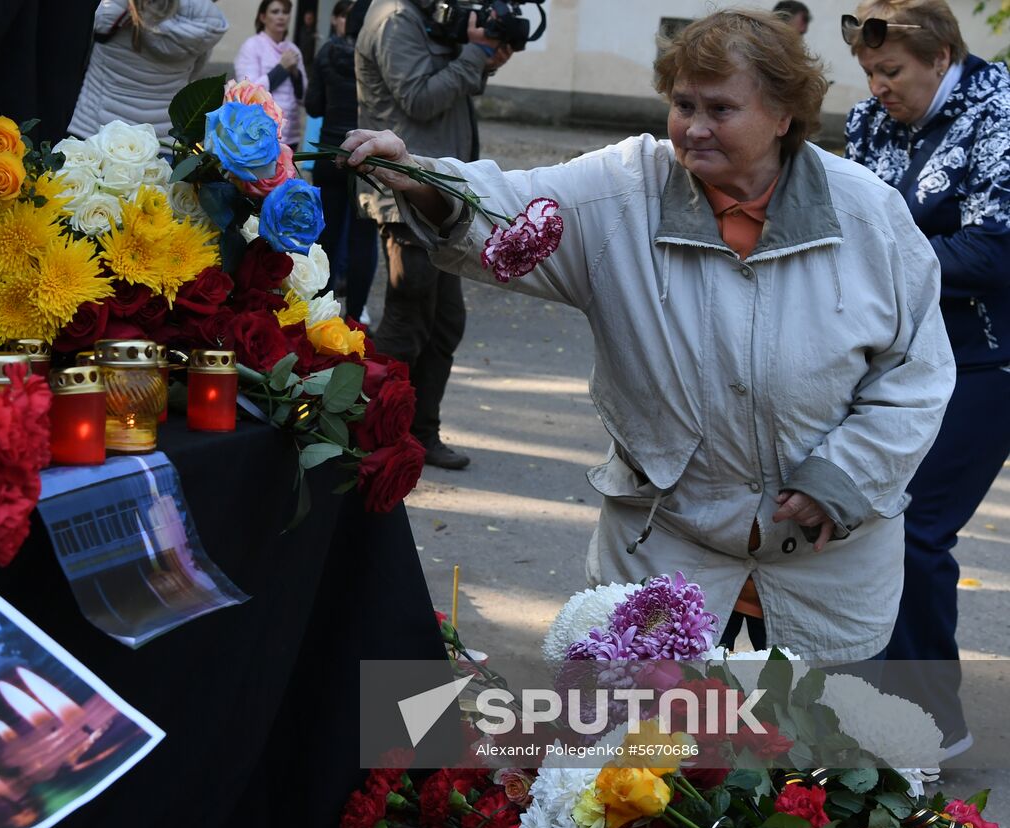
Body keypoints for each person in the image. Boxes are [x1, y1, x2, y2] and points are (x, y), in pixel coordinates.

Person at [340, 9, 955, 661]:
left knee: (801, 753)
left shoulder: (868, 214)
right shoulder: (624, 191)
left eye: (720, 108)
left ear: (784, 114)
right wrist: (428, 184)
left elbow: (916, 373)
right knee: (649, 753)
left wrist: (846, 475)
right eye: (682, 104)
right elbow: (509, 209)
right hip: (666, 549)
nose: (693, 127)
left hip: (827, 565)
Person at [843, 0, 1010, 758]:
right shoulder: (868, 118)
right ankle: (862, 710)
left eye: (892, 71)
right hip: (894, 355)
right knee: (859, 514)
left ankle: (932, 727)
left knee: (913, 530)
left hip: (986, 357)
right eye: (870, 72)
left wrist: (878, 263)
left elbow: (997, 254)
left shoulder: (1000, 111)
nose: (878, 87)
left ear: (941, 56)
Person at [356, 0, 514, 470]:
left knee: (445, 322)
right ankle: (366, 430)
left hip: (441, 196)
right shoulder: (395, 20)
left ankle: (420, 434)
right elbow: (419, 99)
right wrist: (472, 54)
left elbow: (446, 91)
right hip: (404, 194)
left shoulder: (428, 16)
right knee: (407, 320)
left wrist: (483, 61)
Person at [307, 0, 379, 326]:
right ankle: (356, 314)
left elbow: (313, 105)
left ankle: (320, 307)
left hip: (329, 153)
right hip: (368, 156)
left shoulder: (326, 53)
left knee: (327, 236)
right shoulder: (379, 57)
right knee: (364, 238)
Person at [69, 0, 229, 139]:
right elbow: (196, 71)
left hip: (94, 129)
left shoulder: (113, 4)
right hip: (159, 138)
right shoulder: (204, 12)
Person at [234, 0, 308, 148]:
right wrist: (281, 68)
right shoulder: (252, 46)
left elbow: (304, 96)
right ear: (263, 17)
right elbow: (248, 93)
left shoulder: (293, 49)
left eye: (285, 12)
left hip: (291, 134)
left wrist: (295, 75)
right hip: (260, 133)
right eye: (275, 12)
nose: (281, 17)